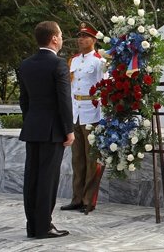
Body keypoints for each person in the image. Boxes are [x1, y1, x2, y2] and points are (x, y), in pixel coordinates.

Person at [18, 21, 75, 239]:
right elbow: (63, 101)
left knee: (32, 178)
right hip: (52, 131)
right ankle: (44, 226)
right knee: (47, 179)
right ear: (53, 38)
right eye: (60, 35)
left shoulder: (26, 64)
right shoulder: (58, 64)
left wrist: (31, 122)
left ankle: (32, 225)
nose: (61, 38)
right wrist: (68, 130)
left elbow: (25, 101)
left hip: (33, 128)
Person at [61, 23, 106, 215]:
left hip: (92, 112)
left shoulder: (99, 61)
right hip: (76, 113)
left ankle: (89, 200)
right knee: (77, 159)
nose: (81, 39)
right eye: (79, 35)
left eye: (85, 36)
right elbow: (70, 89)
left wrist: (103, 118)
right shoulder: (73, 60)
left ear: (94, 40)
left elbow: (103, 87)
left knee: (91, 159)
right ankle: (77, 198)